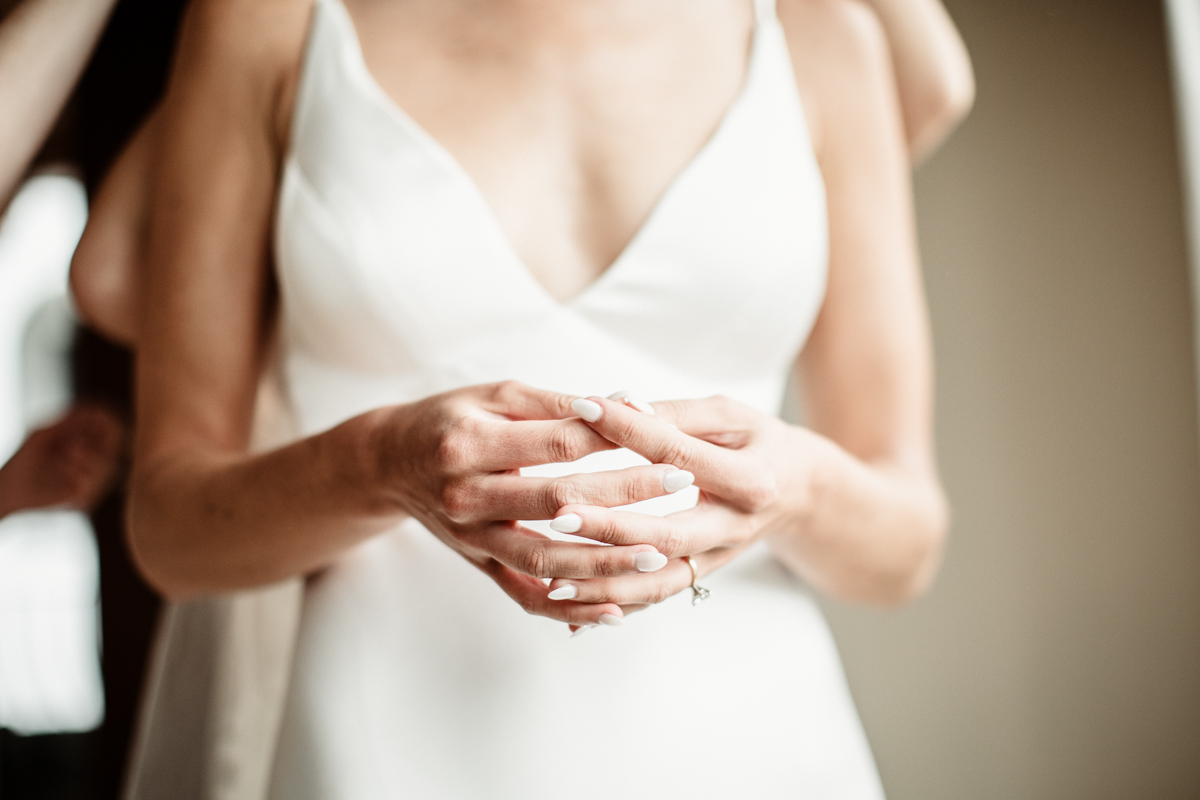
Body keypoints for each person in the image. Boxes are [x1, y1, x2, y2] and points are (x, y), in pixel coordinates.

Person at [74, 0, 972, 795]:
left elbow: (907, 543)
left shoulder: (822, 37)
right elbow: (169, 530)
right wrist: (381, 463)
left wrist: (799, 486)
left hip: (757, 738)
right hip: (385, 741)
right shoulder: (265, 22)